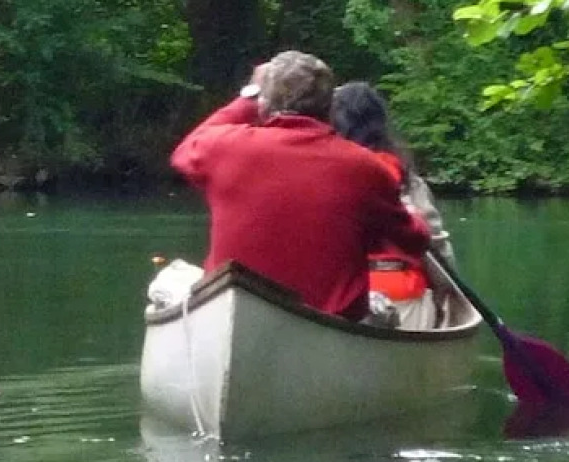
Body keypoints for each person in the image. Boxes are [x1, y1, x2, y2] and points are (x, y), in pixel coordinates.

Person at [170, 51, 432, 323]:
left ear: (262, 104)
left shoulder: (221, 147)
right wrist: (417, 219)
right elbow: (414, 241)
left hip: (238, 314)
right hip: (332, 324)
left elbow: (182, 154)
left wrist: (247, 97)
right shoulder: (366, 168)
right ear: (330, 108)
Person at [329, 81, 451, 330]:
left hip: (340, 303)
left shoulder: (325, 176)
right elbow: (437, 248)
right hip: (404, 297)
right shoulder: (407, 182)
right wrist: (445, 297)